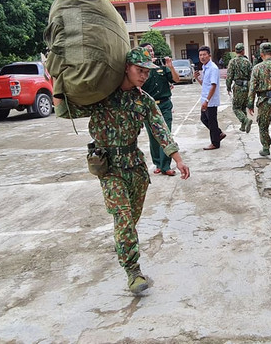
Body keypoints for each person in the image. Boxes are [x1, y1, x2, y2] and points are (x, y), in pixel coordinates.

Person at [54, 47, 191, 295]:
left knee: (131, 221)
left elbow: (161, 130)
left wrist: (178, 159)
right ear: (126, 68)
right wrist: (57, 80)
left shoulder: (144, 100)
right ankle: (133, 271)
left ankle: (123, 245)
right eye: (140, 71)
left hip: (135, 166)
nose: (144, 76)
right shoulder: (101, 96)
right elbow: (65, 110)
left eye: (147, 72)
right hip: (109, 168)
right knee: (124, 217)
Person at [139, 43, 181, 176]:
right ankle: (157, 163)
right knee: (153, 136)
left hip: (164, 105)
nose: (151, 53)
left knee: (166, 133)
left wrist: (171, 66)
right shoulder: (141, 69)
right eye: (147, 51)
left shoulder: (162, 66)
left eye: (151, 50)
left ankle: (165, 165)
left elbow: (176, 79)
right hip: (148, 106)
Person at [247, 42, 271, 162]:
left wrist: (250, 104)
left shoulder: (257, 68)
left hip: (264, 102)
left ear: (261, 54)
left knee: (263, 126)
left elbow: (252, 88)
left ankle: (266, 147)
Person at [199, 46, 225, 150]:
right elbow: (205, 85)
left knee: (212, 121)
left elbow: (213, 86)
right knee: (204, 119)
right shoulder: (205, 67)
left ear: (209, 55)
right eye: (200, 55)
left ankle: (215, 143)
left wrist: (207, 100)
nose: (202, 57)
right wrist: (197, 78)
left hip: (210, 101)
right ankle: (218, 134)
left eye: (204, 54)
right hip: (205, 99)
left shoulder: (213, 68)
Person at [226, 43, 253, 133]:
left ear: (235, 51)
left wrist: (228, 87)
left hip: (238, 86)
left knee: (236, 107)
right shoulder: (247, 62)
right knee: (243, 106)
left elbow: (229, 76)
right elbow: (251, 75)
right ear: (243, 51)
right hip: (247, 86)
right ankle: (243, 126)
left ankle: (245, 120)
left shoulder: (232, 62)